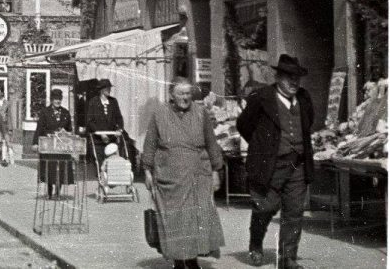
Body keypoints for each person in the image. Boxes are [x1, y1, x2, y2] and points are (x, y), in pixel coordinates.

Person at [236, 55, 315, 269]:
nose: (294, 82)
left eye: (297, 78)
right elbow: (243, 124)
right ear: (278, 77)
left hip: (297, 164)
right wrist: (263, 146)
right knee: (265, 207)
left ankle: (287, 258)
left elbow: (309, 122)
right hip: (270, 165)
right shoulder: (261, 98)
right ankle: (256, 242)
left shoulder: (304, 98)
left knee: (294, 211)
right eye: (289, 77)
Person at [142, 77, 225, 268]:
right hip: (170, 179)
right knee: (176, 221)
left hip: (198, 175)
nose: (185, 98)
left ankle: (192, 260)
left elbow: (211, 143)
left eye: (188, 93)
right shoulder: (159, 114)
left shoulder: (201, 113)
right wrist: (147, 170)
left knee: (196, 219)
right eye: (181, 93)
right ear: (172, 94)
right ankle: (179, 261)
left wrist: (215, 171)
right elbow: (150, 144)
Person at [32, 89, 74, 199]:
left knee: (61, 168)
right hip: (49, 145)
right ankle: (50, 193)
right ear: (51, 100)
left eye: (59, 99)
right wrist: (35, 143)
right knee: (50, 168)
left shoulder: (65, 113)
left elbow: (70, 129)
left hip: (62, 146)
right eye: (55, 99)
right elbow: (39, 128)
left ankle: (58, 192)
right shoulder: (45, 112)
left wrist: (66, 132)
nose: (58, 101)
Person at [85, 79, 125, 167]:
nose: (109, 90)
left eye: (109, 88)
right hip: (98, 140)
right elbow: (90, 121)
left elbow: (119, 118)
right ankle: (101, 179)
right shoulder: (93, 102)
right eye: (107, 88)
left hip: (112, 139)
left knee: (113, 165)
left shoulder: (113, 101)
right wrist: (101, 134)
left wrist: (120, 129)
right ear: (101, 90)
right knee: (100, 165)